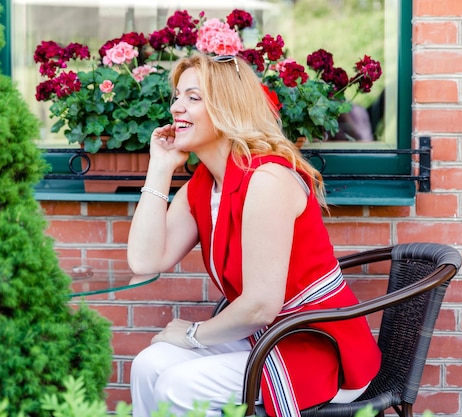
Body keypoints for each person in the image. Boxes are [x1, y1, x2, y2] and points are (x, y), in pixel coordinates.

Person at [126, 53, 381, 417]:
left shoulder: (267, 179)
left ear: (228, 107)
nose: (177, 107)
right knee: (148, 365)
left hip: (315, 345)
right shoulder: (204, 185)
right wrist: (160, 168)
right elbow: (145, 261)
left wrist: (193, 334)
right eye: (177, 97)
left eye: (193, 98)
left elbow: (261, 304)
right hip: (262, 336)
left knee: (177, 386)